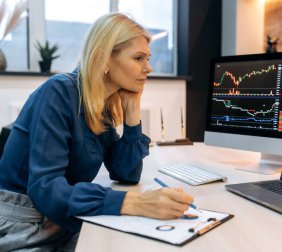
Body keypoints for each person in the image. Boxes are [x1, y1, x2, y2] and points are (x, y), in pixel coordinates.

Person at [0, 13, 194, 251]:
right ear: (103, 58)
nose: (149, 67)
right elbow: (45, 188)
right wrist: (136, 202)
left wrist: (132, 115)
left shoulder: (98, 105)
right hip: (24, 224)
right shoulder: (59, 92)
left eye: (148, 58)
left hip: (59, 217)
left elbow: (126, 173)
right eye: (138, 57)